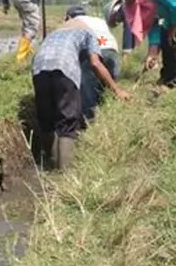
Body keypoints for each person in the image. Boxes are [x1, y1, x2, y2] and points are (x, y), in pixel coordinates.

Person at [31, 21, 131, 170]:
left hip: (39, 70)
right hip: (64, 69)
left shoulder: (53, 34)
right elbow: (95, 64)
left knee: (47, 119)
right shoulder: (88, 33)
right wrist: (116, 89)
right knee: (67, 121)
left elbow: (36, 57)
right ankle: (64, 173)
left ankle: (49, 165)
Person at [62, 5, 121, 121]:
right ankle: (109, 118)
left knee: (87, 91)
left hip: (94, 52)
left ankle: (88, 123)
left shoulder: (73, 22)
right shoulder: (98, 21)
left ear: (68, 17)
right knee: (107, 88)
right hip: (112, 52)